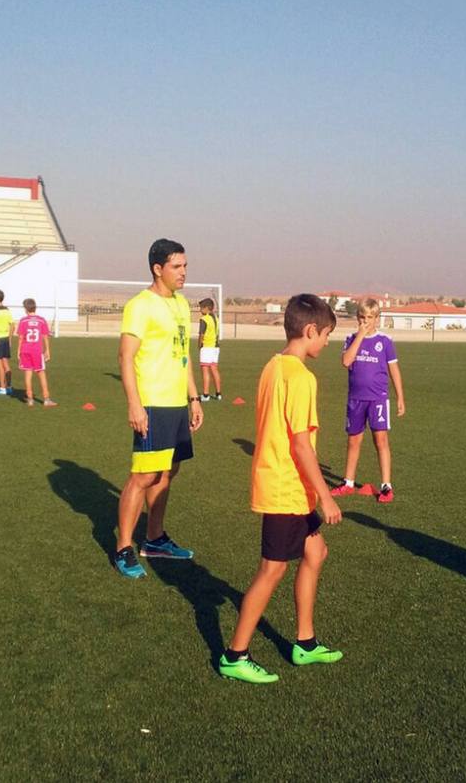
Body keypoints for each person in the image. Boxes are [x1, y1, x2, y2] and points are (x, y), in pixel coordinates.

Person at [219, 294, 343, 684]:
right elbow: (301, 443)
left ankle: (304, 643)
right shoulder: (301, 377)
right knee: (271, 570)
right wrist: (326, 496)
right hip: (286, 486)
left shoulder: (273, 366)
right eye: (326, 335)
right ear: (310, 331)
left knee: (316, 551)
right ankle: (234, 655)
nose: (327, 343)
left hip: (290, 485)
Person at [112, 238, 204, 578]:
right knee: (144, 475)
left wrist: (194, 397)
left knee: (168, 472)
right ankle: (123, 546)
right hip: (151, 402)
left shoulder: (181, 304)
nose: (183, 273)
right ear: (157, 268)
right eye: (177, 267)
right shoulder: (140, 305)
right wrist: (135, 405)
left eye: (185, 266)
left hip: (177, 402)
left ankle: (154, 539)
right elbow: (125, 356)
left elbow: (184, 355)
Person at [331, 298, 406, 503]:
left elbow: (394, 370)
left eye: (370, 318)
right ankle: (348, 482)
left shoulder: (385, 342)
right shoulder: (351, 338)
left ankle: (386, 485)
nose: (366, 321)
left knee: (380, 440)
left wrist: (400, 396)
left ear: (377, 318)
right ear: (358, 318)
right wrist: (361, 336)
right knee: (354, 440)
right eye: (362, 317)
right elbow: (346, 361)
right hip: (356, 399)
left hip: (378, 399)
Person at [16, 298, 56, 407]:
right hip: (37, 351)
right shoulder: (41, 320)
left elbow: (20, 337)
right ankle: (46, 399)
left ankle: (30, 399)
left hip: (25, 350)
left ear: (25, 309)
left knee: (28, 373)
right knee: (41, 373)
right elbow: (45, 337)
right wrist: (47, 350)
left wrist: (18, 350)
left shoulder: (23, 321)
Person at [197, 297, 222, 401]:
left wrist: (199, 345)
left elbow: (201, 334)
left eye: (201, 308)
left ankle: (206, 395)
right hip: (215, 347)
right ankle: (218, 393)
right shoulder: (216, 319)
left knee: (205, 370)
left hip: (207, 346)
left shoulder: (204, 319)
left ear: (207, 308)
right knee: (214, 370)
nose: (200, 310)